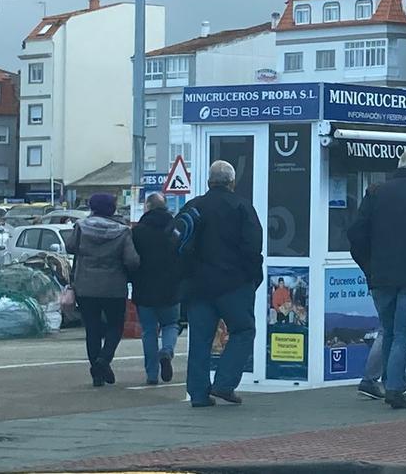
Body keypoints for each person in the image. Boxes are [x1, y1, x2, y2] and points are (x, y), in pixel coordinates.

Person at [348, 150, 406, 409]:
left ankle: (391, 379)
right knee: (403, 332)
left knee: (387, 329)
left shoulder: (375, 191)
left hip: (380, 275)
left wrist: (367, 265)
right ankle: (395, 386)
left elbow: (356, 233)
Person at [174, 160, 264, 407]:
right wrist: (252, 278)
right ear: (232, 183)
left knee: (200, 339)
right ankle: (224, 383)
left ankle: (198, 394)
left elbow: (178, 246)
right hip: (234, 285)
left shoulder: (194, 207)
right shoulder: (242, 207)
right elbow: (253, 247)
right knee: (243, 331)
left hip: (198, 286)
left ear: (208, 182)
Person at [66, 192, 140, 388]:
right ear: (112, 208)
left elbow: (70, 246)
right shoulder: (123, 231)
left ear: (92, 207)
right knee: (116, 326)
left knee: (92, 328)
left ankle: (97, 374)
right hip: (114, 287)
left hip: (86, 286)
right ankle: (104, 360)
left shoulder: (81, 227)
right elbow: (132, 260)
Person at [130, 193, 181, 385]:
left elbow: (131, 259)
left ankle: (152, 375)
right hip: (171, 287)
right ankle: (167, 351)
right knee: (171, 324)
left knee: (149, 331)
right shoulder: (175, 228)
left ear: (148, 207)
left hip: (144, 288)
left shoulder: (138, 231)